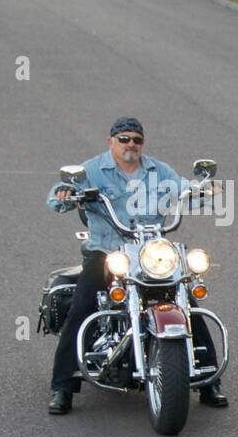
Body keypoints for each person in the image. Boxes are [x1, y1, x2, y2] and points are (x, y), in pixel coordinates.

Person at [45, 117, 227, 415]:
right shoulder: (92, 170)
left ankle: (209, 382)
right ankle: (63, 388)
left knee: (189, 306)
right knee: (82, 307)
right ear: (111, 142)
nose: (131, 144)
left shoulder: (158, 171)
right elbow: (58, 196)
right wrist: (64, 194)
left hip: (150, 254)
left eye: (136, 140)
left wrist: (207, 191)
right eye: (124, 139)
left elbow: (184, 191)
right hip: (107, 252)